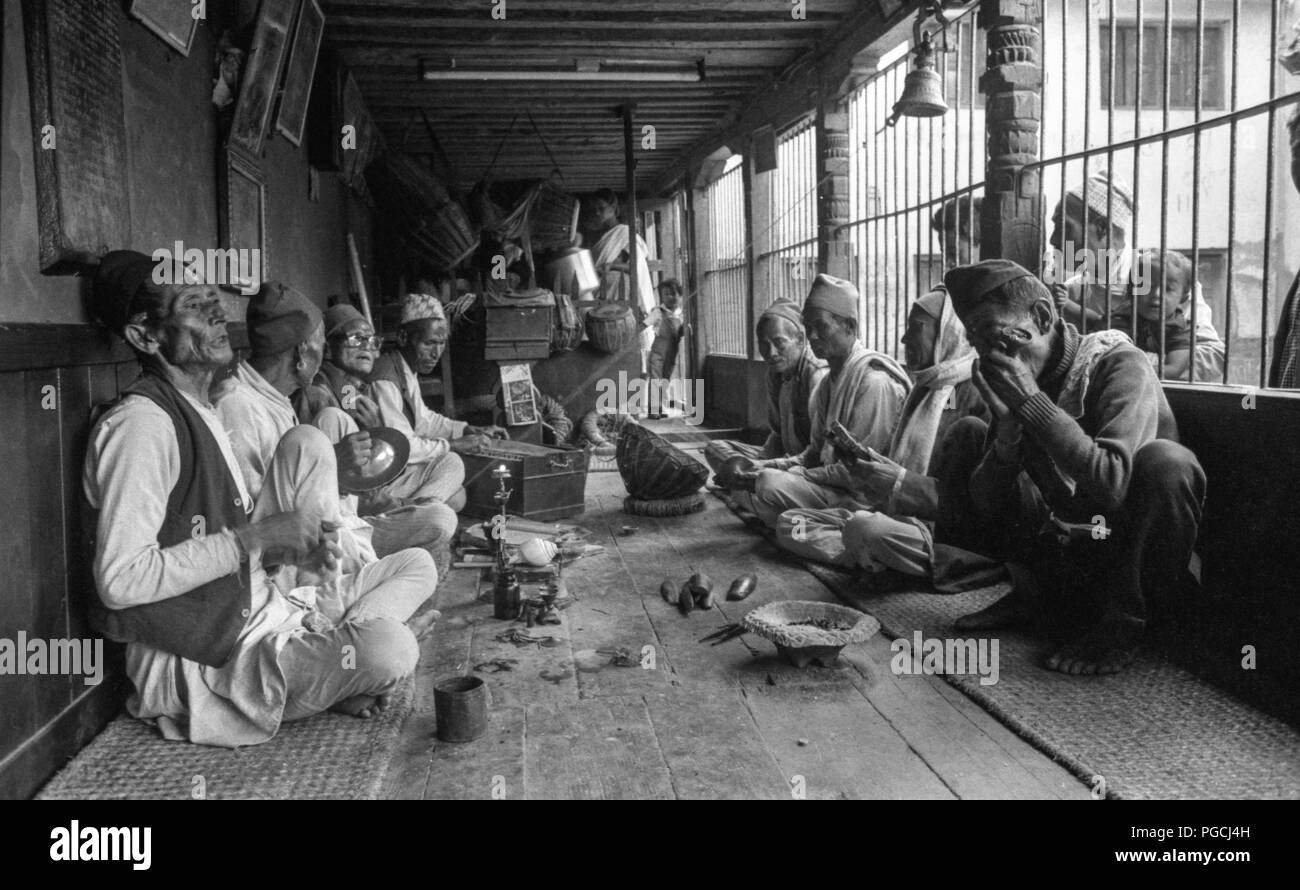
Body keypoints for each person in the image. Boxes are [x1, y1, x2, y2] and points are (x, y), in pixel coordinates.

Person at [82, 250, 435, 747]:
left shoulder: (200, 408)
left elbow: (237, 542)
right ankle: (338, 667)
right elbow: (120, 581)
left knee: (414, 568)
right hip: (205, 656)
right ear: (145, 335)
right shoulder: (142, 426)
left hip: (263, 609)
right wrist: (258, 536)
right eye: (194, 306)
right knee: (391, 648)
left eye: (213, 301)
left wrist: (287, 548)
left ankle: (331, 663)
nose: (217, 314)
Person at [937, 259, 1205, 676]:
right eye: (976, 339)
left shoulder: (1119, 363)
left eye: (994, 332)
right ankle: (1034, 594)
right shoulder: (1025, 375)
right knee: (973, 436)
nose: (989, 352)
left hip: (1131, 564)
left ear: (1042, 317)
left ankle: (1127, 624)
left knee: (1168, 462)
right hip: (1072, 556)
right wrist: (1008, 435)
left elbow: (1111, 485)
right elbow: (985, 507)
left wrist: (1033, 406)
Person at [213, 282, 458, 579]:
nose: (324, 354)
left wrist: (337, 478)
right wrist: (333, 472)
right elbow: (258, 517)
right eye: (320, 345)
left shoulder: (277, 398)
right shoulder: (235, 405)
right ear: (302, 353)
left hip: (340, 527)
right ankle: (360, 570)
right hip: (299, 556)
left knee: (441, 515)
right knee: (435, 530)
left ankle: (368, 558)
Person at [773, 287, 988, 578]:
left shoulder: (972, 392)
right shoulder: (927, 390)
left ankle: (869, 550)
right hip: (890, 511)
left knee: (863, 527)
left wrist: (896, 482)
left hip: (936, 531)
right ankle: (866, 555)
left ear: (946, 334)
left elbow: (964, 505)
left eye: (915, 329)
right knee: (791, 523)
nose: (904, 339)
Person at [301, 302, 500, 517]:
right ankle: (410, 514)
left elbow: (423, 420)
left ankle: (415, 513)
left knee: (454, 489)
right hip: (351, 499)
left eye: (371, 341)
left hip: (369, 486)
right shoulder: (324, 395)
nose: (367, 348)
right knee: (446, 499)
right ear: (328, 348)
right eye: (357, 339)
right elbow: (341, 474)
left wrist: (463, 429)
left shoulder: (348, 387)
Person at [750, 274, 911, 529]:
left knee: (768, 487)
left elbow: (860, 473)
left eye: (821, 327)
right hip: (831, 488)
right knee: (761, 486)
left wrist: (790, 474)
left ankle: (828, 528)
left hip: (862, 500)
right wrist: (770, 464)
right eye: (808, 327)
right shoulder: (828, 384)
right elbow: (814, 453)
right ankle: (810, 525)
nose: (812, 336)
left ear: (850, 326)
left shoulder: (874, 383)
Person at [1048, 170, 1219, 347]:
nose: (1053, 240)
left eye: (1065, 228)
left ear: (1102, 228)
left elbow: (1212, 354)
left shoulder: (1169, 281)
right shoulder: (1071, 292)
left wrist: (1129, 360)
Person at [704, 299, 829, 511]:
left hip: (805, 467)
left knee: (765, 485)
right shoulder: (774, 373)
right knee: (715, 448)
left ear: (800, 339)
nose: (770, 352)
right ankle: (748, 486)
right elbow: (777, 434)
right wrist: (758, 463)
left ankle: (750, 488)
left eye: (779, 342)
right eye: (763, 344)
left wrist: (765, 468)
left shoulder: (817, 375)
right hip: (782, 460)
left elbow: (817, 455)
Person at [1120, 249, 1226, 382]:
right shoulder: (1119, 317)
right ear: (1131, 291)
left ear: (1183, 298)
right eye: (1147, 286)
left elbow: (1173, 370)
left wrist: (1126, 368)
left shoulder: (1180, 329)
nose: (1157, 294)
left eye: (1168, 289)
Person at [589, 188, 655, 364]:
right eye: (594, 209)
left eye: (601, 208)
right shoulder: (603, 237)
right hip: (607, 298)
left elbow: (636, 267)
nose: (597, 212)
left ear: (613, 207)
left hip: (625, 299)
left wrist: (611, 266)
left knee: (636, 356)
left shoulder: (625, 233)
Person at [644, 278, 687, 419]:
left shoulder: (681, 315)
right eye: (667, 294)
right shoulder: (658, 312)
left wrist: (684, 329)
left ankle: (661, 407)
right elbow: (645, 324)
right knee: (656, 379)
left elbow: (681, 333)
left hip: (672, 353)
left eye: (674, 294)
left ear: (680, 296)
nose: (671, 297)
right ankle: (653, 410)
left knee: (665, 380)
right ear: (661, 297)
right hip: (658, 351)